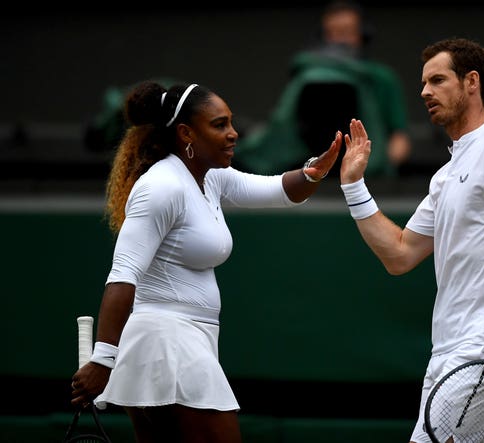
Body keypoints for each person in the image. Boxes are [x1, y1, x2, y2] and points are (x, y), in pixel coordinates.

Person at [69, 80, 341, 443]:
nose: (233, 134)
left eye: (230, 122)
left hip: (184, 342)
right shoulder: (161, 187)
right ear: (186, 133)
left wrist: (316, 170)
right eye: (219, 125)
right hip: (166, 343)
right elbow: (122, 276)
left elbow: (279, 191)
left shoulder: (210, 177)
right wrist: (103, 359)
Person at [338, 38, 484, 443]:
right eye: (424, 83)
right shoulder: (445, 176)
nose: (424, 92)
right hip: (446, 353)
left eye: (437, 80)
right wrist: (354, 187)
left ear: (471, 82)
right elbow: (400, 255)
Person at [235, 1, 411, 177]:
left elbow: (399, 138)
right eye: (332, 32)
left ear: (363, 34)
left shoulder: (382, 77)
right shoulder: (306, 75)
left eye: (347, 32)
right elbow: (284, 124)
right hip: (305, 166)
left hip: (363, 170)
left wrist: (381, 169)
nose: (340, 39)